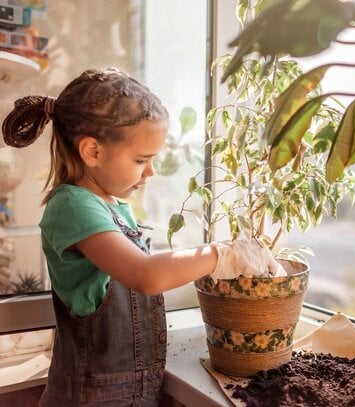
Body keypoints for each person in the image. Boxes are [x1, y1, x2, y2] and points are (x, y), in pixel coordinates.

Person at [1, 67, 280, 406]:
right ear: (92, 152)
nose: (150, 172)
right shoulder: (73, 206)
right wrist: (222, 254)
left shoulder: (113, 205)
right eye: (141, 160)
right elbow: (145, 275)